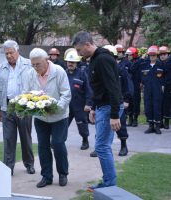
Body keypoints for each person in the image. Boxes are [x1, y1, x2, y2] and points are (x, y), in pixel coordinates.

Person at [71, 31, 123, 191]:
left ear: (87, 44)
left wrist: (114, 115)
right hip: (102, 107)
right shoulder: (94, 59)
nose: (79, 54)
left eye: (79, 50)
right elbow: (98, 87)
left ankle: (109, 184)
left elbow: (113, 88)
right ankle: (108, 182)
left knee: (101, 146)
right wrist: (93, 107)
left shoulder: (103, 59)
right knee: (102, 146)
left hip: (109, 108)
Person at [23, 48, 71, 188]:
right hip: (41, 117)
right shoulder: (31, 74)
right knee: (43, 146)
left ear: (46, 60)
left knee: (57, 143)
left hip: (59, 117)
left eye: (38, 64)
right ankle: (46, 176)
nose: (35, 67)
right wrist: (31, 106)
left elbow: (66, 94)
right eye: (33, 64)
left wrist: (55, 109)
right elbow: (26, 94)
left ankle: (63, 173)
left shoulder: (59, 71)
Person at [0, 40, 35, 176]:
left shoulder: (29, 64)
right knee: (8, 138)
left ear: (17, 51)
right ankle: (8, 166)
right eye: (6, 54)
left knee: (25, 137)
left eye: (11, 53)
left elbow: (35, 84)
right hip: (7, 106)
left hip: (24, 106)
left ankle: (29, 164)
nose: (9, 56)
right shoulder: (2, 68)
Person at [65, 48, 92, 150]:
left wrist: (88, 103)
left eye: (72, 62)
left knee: (82, 123)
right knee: (63, 124)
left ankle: (85, 140)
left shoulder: (82, 74)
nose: (70, 64)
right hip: (66, 104)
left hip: (79, 105)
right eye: (69, 62)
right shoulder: (63, 73)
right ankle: (59, 141)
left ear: (77, 63)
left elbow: (88, 90)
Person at [141, 46, 165, 134]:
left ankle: (157, 126)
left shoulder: (161, 65)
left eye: (154, 55)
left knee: (157, 107)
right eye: (150, 55)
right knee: (148, 107)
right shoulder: (144, 65)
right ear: (148, 56)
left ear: (157, 56)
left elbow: (165, 77)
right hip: (147, 90)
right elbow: (141, 77)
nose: (152, 57)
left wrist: (163, 85)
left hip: (157, 90)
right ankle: (150, 126)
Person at [126, 47, 143, 127]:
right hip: (128, 84)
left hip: (136, 84)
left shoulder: (139, 62)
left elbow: (137, 71)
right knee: (129, 101)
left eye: (130, 55)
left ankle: (135, 118)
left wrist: (141, 82)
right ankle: (130, 118)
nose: (129, 56)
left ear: (134, 55)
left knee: (136, 101)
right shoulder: (126, 62)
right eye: (128, 55)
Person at [158, 46, 170, 129]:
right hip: (158, 87)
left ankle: (166, 122)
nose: (162, 56)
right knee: (159, 104)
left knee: (167, 104)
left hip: (168, 87)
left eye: (164, 54)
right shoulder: (158, 63)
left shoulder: (169, 63)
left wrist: (164, 85)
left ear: (167, 54)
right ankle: (160, 121)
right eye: (161, 54)